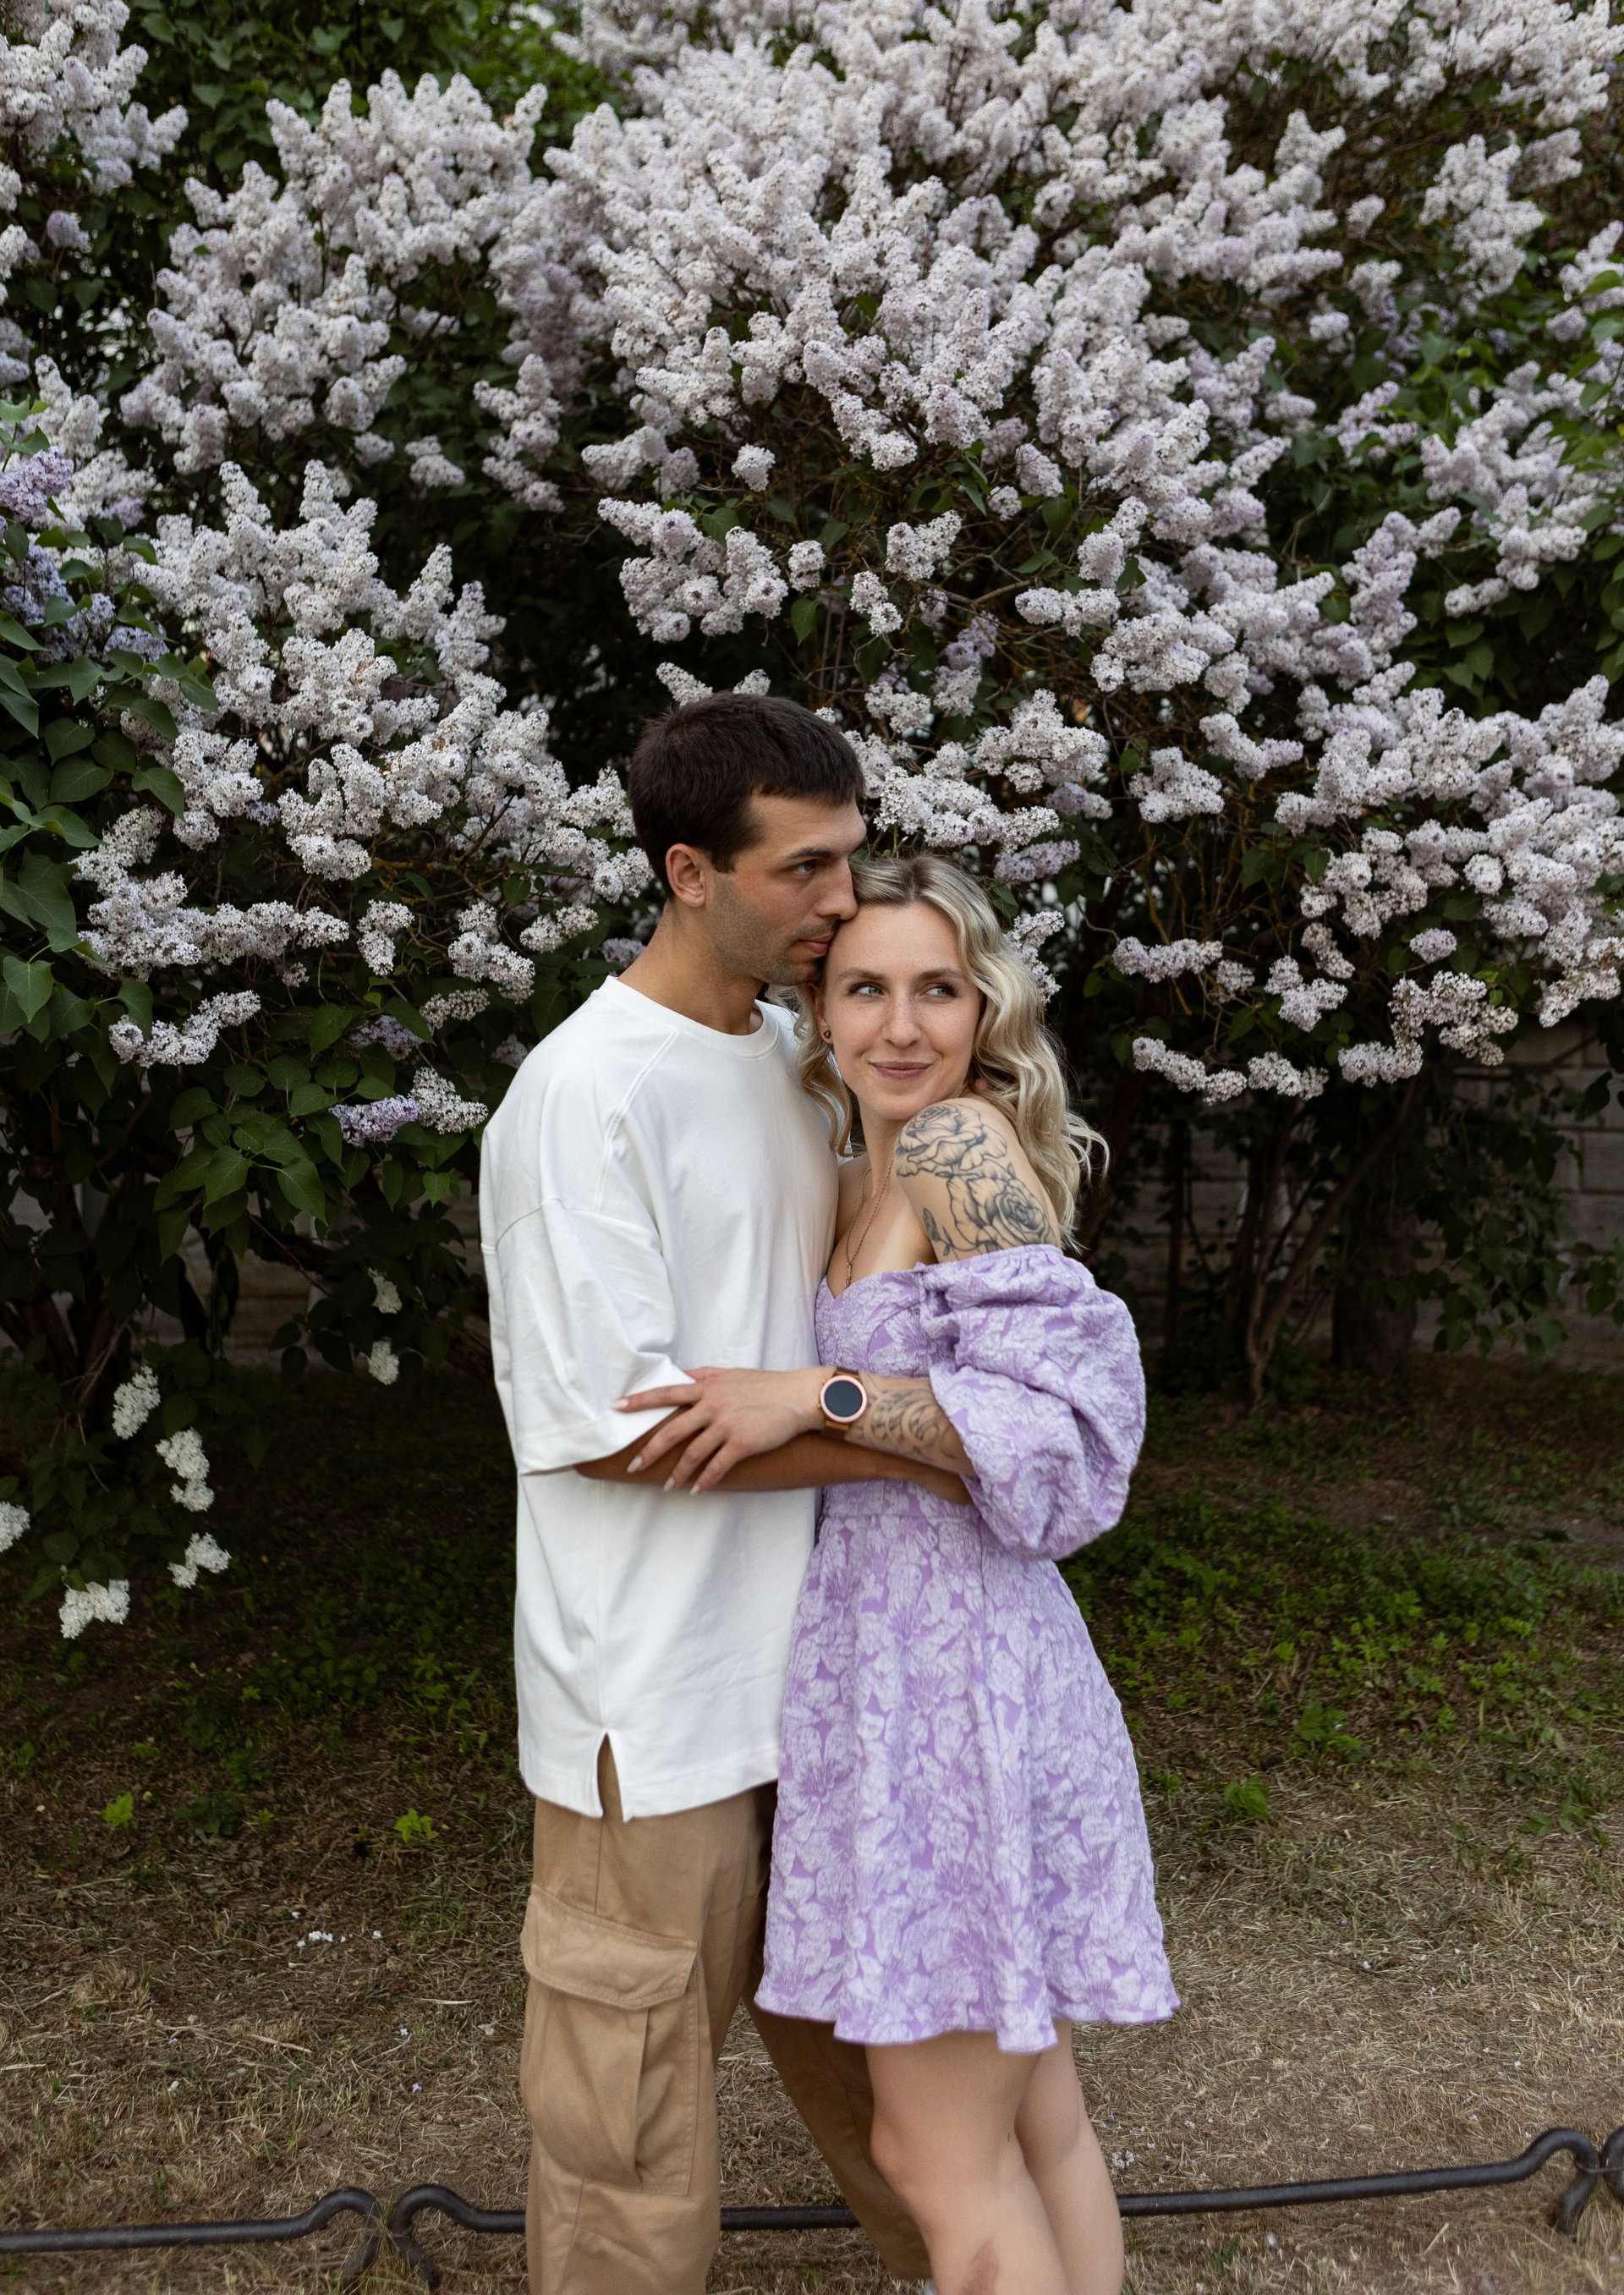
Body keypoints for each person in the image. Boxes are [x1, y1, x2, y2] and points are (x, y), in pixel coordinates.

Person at [617, 852, 1177, 2295]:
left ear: (985, 1010)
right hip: (908, 1671)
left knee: (938, 2162)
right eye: (866, 989)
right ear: (819, 1007)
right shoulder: (862, 1166)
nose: (903, 1026)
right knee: (1036, 2126)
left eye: (939, 989)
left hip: (958, 1679)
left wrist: (818, 1395)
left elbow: (1067, 1432)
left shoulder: (956, 1149)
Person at [478, 692, 941, 2295]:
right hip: (657, 1713)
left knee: (913, 2104)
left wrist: (882, 1413)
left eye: (849, 860)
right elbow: (624, 1430)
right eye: (804, 870)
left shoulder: (800, 1063)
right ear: (689, 872)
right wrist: (924, 1439)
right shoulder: (583, 1094)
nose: (841, 901)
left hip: (832, 1685)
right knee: (630, 2151)